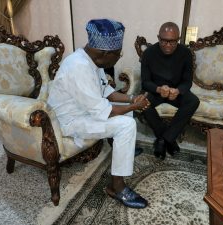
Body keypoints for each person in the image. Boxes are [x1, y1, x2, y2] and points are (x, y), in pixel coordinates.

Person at [47, 19, 150, 209]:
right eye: (118, 55)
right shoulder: (79, 67)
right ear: (105, 53)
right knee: (127, 124)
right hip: (68, 122)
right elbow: (105, 110)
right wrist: (134, 107)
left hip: (83, 111)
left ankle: (120, 147)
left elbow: (107, 92)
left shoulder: (92, 60)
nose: (119, 58)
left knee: (126, 116)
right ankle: (116, 187)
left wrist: (132, 99)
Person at [141, 22, 200, 160]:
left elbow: (187, 81)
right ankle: (167, 139)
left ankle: (163, 140)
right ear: (158, 37)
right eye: (164, 41)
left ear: (178, 40)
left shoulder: (185, 53)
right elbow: (145, 81)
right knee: (142, 101)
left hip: (175, 92)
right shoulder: (149, 53)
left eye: (172, 42)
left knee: (193, 101)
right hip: (156, 91)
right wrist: (158, 88)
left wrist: (178, 91)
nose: (168, 45)